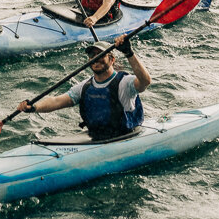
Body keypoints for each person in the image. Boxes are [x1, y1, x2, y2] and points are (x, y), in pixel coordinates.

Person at [15, 35, 151, 141]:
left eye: (100, 55)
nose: (95, 58)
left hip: (124, 136)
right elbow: (56, 101)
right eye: (92, 55)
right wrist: (33, 107)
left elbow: (145, 81)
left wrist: (129, 53)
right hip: (96, 136)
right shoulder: (85, 86)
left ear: (112, 60)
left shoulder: (124, 82)